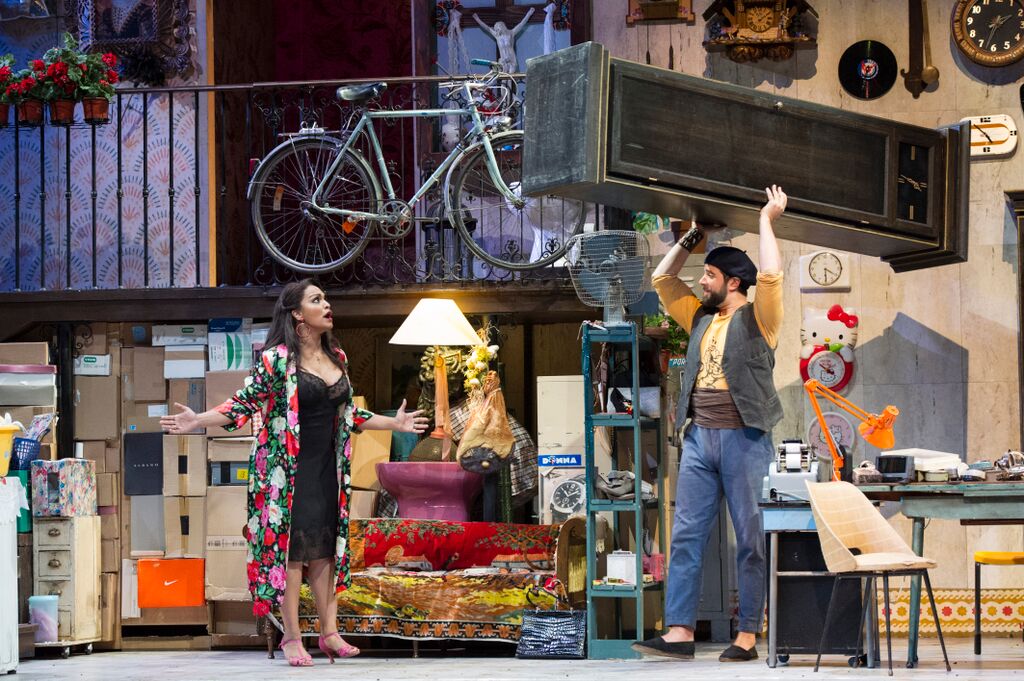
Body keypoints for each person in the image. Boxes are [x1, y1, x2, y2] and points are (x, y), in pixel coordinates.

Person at [160, 280, 427, 667]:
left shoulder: (337, 356)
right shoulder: (277, 359)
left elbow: (349, 414)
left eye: (326, 298)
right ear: (298, 314)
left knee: (324, 548)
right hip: (284, 474)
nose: (327, 304)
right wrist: (197, 420)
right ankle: (291, 636)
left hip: (326, 469)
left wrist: (393, 424)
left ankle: (330, 633)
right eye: (317, 300)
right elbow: (243, 402)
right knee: (291, 552)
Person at [634, 185, 787, 663]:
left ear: (734, 283)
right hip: (699, 438)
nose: (702, 282)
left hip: (745, 438)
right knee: (686, 535)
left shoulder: (761, 319)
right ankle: (680, 631)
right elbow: (662, 278)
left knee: (751, 540)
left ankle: (747, 635)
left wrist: (766, 220)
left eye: (711, 275)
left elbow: (772, 275)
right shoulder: (700, 318)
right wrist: (694, 235)